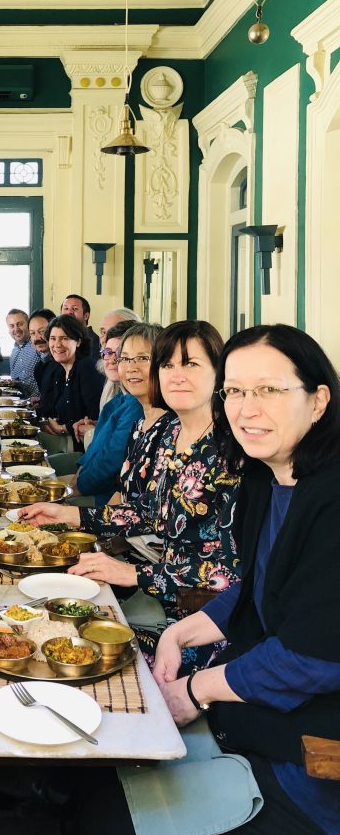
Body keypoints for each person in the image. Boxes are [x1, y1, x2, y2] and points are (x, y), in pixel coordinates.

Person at [153, 324, 340, 835]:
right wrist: (181, 632)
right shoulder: (267, 476)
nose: (246, 408)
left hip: (309, 765)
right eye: (234, 391)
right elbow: (263, 585)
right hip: (260, 720)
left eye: (269, 390)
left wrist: (196, 690)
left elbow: (314, 657)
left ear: (318, 400)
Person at [25, 319, 240, 667]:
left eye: (191, 364)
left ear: (220, 373)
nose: (176, 374)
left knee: (77, 657)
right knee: (48, 633)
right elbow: (146, 511)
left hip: (205, 626)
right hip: (167, 600)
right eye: (168, 364)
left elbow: (232, 574)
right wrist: (69, 514)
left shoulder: (230, 453)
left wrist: (132, 574)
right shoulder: (172, 434)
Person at [70, 322, 163, 506]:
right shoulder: (130, 410)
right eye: (126, 359)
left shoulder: (164, 422)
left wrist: (76, 488)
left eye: (143, 358)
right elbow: (123, 491)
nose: (131, 367)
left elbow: (110, 462)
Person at [37, 314, 104, 452]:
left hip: (81, 450)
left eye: (64, 338)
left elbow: (95, 417)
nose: (57, 345)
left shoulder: (86, 367)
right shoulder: (59, 370)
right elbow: (49, 409)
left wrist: (63, 428)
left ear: (78, 342)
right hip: (62, 443)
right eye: (53, 338)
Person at [6, 307, 40, 396]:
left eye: (19, 324)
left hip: (40, 404)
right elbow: (15, 382)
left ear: (28, 325)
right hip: (21, 404)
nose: (16, 329)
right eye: (12, 326)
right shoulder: (14, 352)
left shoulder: (38, 345)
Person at [29, 308, 56, 404]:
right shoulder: (40, 366)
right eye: (32, 333)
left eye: (42, 331)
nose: (37, 338)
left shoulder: (63, 363)